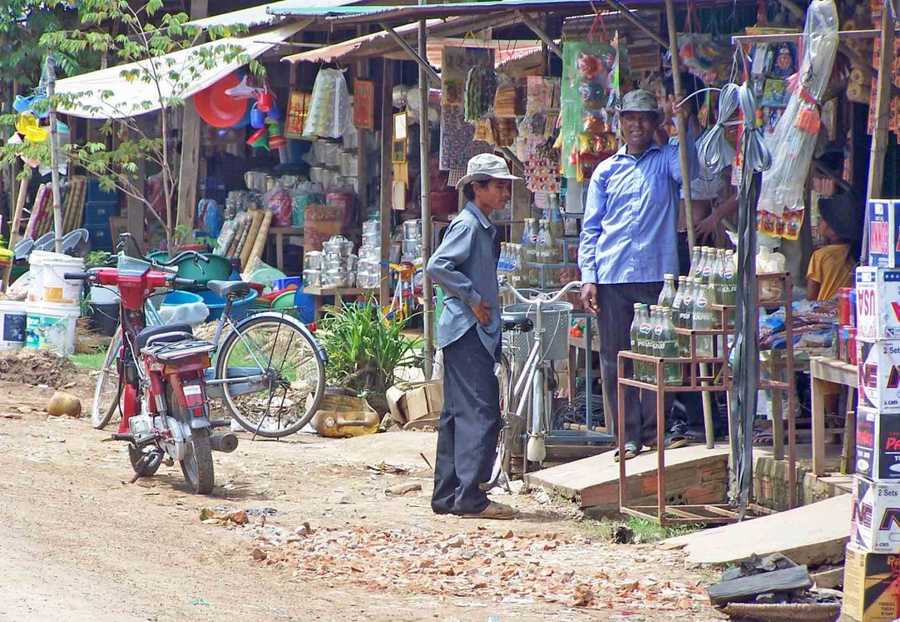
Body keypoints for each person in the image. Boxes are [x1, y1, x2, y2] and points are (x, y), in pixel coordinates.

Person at [578, 89, 698, 461]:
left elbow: (689, 172)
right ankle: (626, 436)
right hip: (612, 275)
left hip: (657, 276)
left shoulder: (665, 161)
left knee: (658, 357)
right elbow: (592, 228)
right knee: (616, 358)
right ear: (620, 123)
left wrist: (681, 123)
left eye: (645, 118)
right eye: (630, 118)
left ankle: (653, 431)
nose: (637, 125)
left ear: (655, 124)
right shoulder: (605, 170)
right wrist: (588, 276)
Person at [426, 153, 520, 520]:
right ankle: (470, 497)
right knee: (481, 412)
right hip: (467, 331)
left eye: (505, 187)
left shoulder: (480, 225)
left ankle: (446, 494)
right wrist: (474, 298)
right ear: (477, 188)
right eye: (498, 187)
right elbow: (437, 265)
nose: (504, 194)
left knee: (456, 413)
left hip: (465, 331)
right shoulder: (468, 225)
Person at [807, 190, 862, 301]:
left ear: (833, 229)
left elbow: (811, 297)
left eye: (822, 219)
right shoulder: (856, 251)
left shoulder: (820, 256)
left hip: (824, 312)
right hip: (847, 308)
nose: (819, 222)